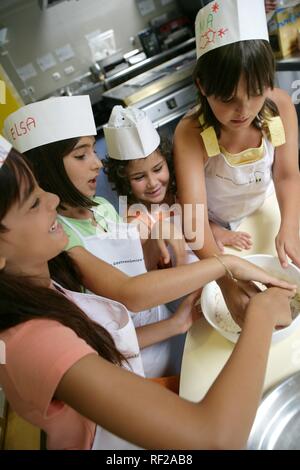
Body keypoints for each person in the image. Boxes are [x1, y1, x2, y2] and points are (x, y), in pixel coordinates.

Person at [0, 136, 295, 450]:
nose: (53, 201)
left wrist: (214, 274)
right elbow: (214, 437)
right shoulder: (33, 343)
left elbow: (101, 340)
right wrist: (260, 314)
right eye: (33, 202)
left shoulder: (41, 289)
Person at [3, 96, 195, 378]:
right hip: (137, 364)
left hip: (166, 326)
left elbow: (135, 268)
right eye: (81, 155)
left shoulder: (103, 208)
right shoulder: (58, 237)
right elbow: (126, 295)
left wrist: (156, 242)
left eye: (93, 151)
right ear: (48, 170)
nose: (97, 164)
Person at [173, 0, 300, 325]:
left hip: (265, 206)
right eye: (228, 99)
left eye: (257, 92)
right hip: (217, 233)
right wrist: (226, 276)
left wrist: (289, 226)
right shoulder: (191, 134)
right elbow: (194, 222)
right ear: (202, 86)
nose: (244, 110)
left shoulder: (279, 106)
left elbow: (286, 175)